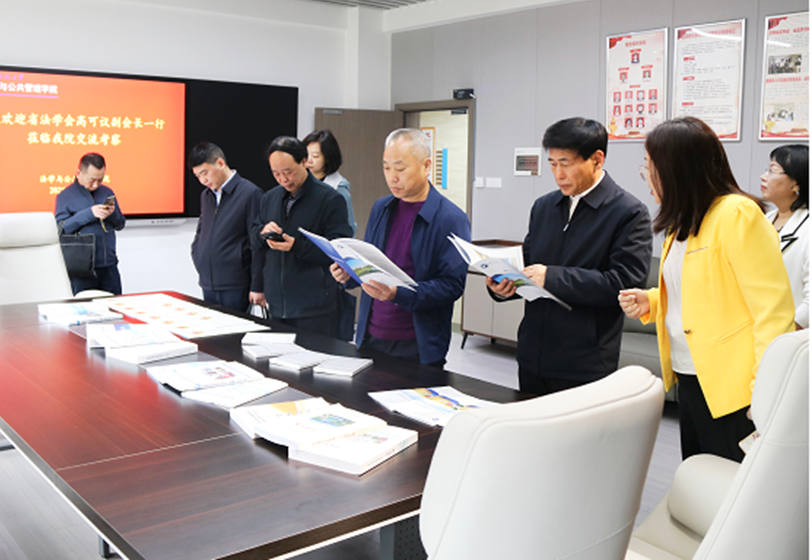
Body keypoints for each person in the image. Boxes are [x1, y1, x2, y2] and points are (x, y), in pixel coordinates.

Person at [619, 117, 794, 463]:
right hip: (691, 374)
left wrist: (763, 390)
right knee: (699, 471)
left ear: (677, 169)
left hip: (736, 387)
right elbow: (702, 288)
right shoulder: (684, 222)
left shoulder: (736, 214)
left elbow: (772, 312)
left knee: (730, 479)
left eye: (650, 166)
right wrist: (653, 300)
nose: (647, 176)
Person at [488, 117, 652, 394]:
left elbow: (624, 283)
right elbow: (528, 265)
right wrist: (503, 285)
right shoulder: (544, 207)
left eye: (565, 164)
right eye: (552, 164)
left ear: (597, 160)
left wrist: (552, 277)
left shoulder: (629, 213)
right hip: (532, 353)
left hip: (585, 361)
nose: (558, 174)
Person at [330, 128, 470, 366]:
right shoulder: (382, 208)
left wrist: (398, 293)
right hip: (370, 335)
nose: (392, 177)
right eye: (386, 168)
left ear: (426, 166)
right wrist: (349, 274)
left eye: (400, 169)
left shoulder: (451, 218)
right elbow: (370, 263)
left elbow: (452, 286)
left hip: (416, 343)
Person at [254, 136, 352, 335]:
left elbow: (338, 250)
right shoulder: (269, 198)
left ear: (304, 162)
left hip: (314, 306)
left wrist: (297, 246)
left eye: (288, 172)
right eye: (276, 173)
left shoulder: (330, 199)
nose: (283, 179)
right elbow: (254, 237)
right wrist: (261, 233)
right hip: (277, 304)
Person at [188, 142, 266, 314]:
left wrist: (257, 286)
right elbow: (201, 231)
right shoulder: (206, 195)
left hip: (236, 283)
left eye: (205, 173)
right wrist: (197, 254)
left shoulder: (250, 193)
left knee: (235, 330)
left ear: (220, 163)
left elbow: (257, 243)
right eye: (198, 176)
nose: (203, 180)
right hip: (208, 281)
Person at [303, 129, 357, 341]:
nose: (309, 160)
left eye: (315, 156)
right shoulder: (301, 182)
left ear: (328, 158)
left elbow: (348, 230)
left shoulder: (338, 188)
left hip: (325, 269)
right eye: (306, 154)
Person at [55, 152, 125, 295]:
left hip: (109, 265)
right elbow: (61, 228)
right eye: (92, 180)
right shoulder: (65, 196)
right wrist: (89, 213)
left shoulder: (107, 192)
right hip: (82, 269)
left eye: (100, 180)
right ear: (78, 173)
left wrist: (113, 214)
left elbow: (120, 224)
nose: (96, 184)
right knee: (83, 307)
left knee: (115, 305)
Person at [760, 144, 808, 330]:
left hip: (793, 334)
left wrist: (783, 331)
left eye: (772, 171)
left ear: (796, 183)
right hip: (758, 327)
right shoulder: (764, 220)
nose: (763, 177)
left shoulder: (807, 227)